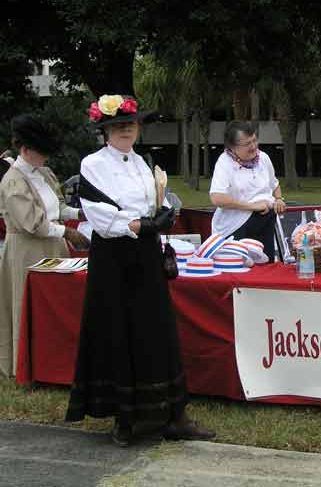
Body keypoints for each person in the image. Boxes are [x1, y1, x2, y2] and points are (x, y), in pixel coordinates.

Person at [65, 94, 214, 446]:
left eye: (129, 125)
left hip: (145, 255)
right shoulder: (93, 164)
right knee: (120, 330)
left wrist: (163, 213)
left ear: (137, 128)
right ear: (105, 131)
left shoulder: (142, 162)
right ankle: (125, 419)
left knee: (158, 329)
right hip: (115, 258)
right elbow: (101, 216)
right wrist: (139, 225)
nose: (124, 131)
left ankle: (175, 416)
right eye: (117, 126)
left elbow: (158, 198)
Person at [0, 115, 88, 377]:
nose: (46, 158)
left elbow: (55, 206)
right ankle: (25, 363)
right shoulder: (13, 181)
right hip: (28, 250)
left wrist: (81, 214)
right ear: (25, 150)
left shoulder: (44, 173)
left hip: (53, 247)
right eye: (42, 152)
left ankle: (55, 358)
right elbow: (33, 223)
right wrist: (68, 233)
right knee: (27, 304)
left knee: (55, 305)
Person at [209, 121, 286, 260]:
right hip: (237, 226)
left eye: (255, 141)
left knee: (265, 267)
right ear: (232, 147)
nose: (253, 147)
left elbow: (274, 184)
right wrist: (252, 207)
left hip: (265, 223)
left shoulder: (263, 158)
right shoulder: (225, 162)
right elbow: (217, 198)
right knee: (240, 269)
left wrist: (279, 199)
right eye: (247, 144)